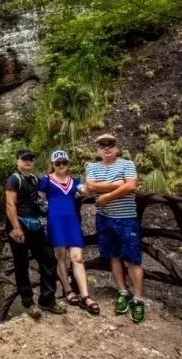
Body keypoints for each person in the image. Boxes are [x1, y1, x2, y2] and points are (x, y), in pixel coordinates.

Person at [85, 134, 145, 323]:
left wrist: (105, 197)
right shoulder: (92, 167)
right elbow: (91, 186)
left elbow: (131, 186)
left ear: (116, 148)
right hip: (104, 219)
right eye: (102, 146)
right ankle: (123, 291)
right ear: (98, 150)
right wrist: (119, 184)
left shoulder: (127, 164)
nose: (107, 148)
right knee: (114, 256)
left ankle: (138, 298)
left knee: (133, 259)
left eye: (110, 145)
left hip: (126, 218)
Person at [5, 148, 67, 319]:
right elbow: (10, 204)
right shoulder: (14, 179)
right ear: (17, 161)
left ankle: (47, 299)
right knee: (21, 264)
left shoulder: (34, 179)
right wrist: (16, 228)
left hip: (35, 225)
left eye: (31, 159)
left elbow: (44, 195)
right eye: (24, 159)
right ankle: (28, 303)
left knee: (49, 259)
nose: (28, 162)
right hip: (19, 226)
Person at [39, 150, 100, 315]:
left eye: (64, 163)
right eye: (57, 163)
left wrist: (90, 174)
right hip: (55, 222)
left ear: (68, 164)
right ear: (52, 164)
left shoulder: (74, 181)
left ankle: (86, 295)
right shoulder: (46, 180)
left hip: (72, 222)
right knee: (60, 257)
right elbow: (39, 200)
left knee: (77, 257)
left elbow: (85, 191)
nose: (61, 166)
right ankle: (67, 289)